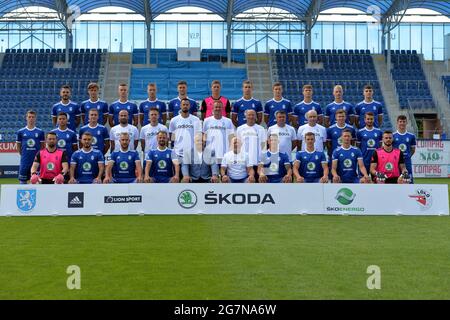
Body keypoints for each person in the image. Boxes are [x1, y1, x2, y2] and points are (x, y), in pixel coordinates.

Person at [16, 110, 45, 184]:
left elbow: (42, 147)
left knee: (37, 181)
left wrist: (39, 157)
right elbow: (18, 146)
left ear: (35, 118)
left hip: (37, 161)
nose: (31, 118)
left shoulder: (40, 132)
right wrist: (23, 155)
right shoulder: (20, 132)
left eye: (33, 117)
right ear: (26, 118)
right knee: (22, 181)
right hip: (25, 161)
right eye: (29, 117)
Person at [356, 112, 382, 176]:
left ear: (374, 119)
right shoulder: (360, 132)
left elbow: (380, 146)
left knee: (377, 180)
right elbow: (358, 146)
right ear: (365, 120)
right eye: (368, 119)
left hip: (376, 161)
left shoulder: (379, 132)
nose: (369, 121)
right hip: (364, 160)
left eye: (371, 119)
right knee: (363, 179)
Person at [393, 115, 416, 183]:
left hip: (407, 161)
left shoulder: (411, 136)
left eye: (404, 121)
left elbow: (413, 150)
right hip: (395, 161)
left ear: (406, 123)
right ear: (397, 122)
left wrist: (407, 156)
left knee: (408, 179)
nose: (402, 123)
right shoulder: (393, 135)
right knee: (396, 179)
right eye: (400, 121)